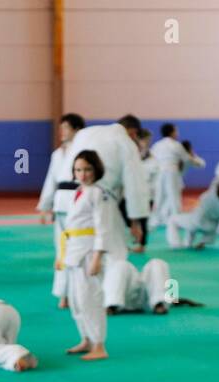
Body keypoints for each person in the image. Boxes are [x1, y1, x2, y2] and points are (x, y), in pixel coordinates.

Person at [61, 149, 120, 361]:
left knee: (91, 299)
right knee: (77, 300)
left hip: (89, 252)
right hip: (74, 250)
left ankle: (99, 345)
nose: (82, 173)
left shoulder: (98, 193)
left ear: (96, 170)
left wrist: (97, 256)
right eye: (78, 169)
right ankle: (86, 338)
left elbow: (103, 227)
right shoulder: (79, 191)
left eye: (87, 169)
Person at [67, 116, 151, 247]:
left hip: (71, 197)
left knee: (76, 245)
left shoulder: (83, 134)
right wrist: (136, 221)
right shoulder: (124, 141)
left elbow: (69, 169)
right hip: (103, 198)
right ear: (132, 132)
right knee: (111, 247)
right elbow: (135, 184)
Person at [37, 113, 85, 307]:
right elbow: (51, 181)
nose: (61, 132)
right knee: (61, 249)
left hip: (78, 201)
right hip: (60, 203)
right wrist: (44, 206)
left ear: (76, 130)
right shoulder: (57, 154)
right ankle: (62, 294)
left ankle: (76, 293)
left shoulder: (85, 151)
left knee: (78, 248)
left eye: (65, 128)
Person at [148, 123, 204, 230]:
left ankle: (154, 221)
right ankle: (176, 221)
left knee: (159, 197)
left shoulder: (157, 145)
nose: (177, 134)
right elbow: (186, 159)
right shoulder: (176, 145)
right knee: (174, 197)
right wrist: (195, 161)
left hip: (159, 172)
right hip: (171, 172)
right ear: (172, 132)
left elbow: (153, 159)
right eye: (176, 131)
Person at [165, 181, 219, 249]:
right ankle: (196, 243)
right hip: (211, 228)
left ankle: (176, 244)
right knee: (194, 224)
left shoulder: (208, 195)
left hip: (196, 221)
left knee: (172, 219)